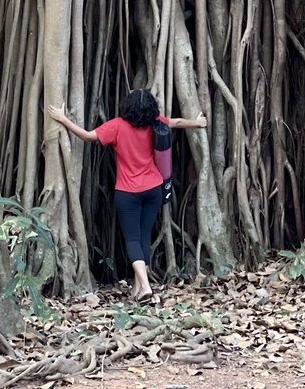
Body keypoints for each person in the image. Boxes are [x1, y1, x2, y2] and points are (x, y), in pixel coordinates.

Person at [47, 90, 207, 300]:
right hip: (154, 189)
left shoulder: (116, 126)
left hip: (128, 192)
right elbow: (175, 122)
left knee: (132, 239)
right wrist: (197, 123)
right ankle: (138, 288)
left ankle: (147, 287)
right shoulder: (154, 122)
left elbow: (87, 136)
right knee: (143, 236)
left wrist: (62, 118)